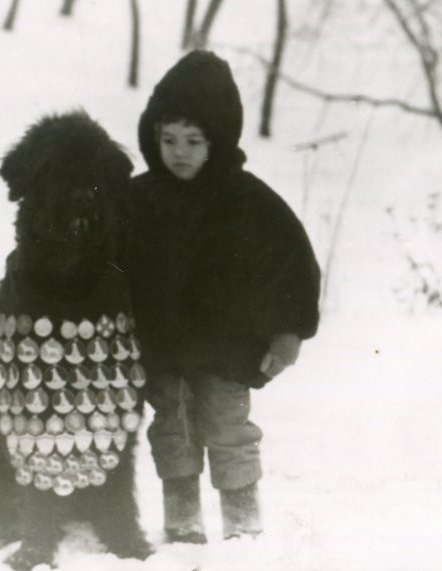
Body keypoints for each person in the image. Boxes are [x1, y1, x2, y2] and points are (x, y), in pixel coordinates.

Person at [126, 50, 321, 543]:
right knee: (172, 429)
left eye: (194, 140)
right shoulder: (138, 199)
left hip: (227, 349)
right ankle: (183, 522)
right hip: (164, 351)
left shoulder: (248, 200)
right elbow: (111, 263)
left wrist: (288, 333)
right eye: (167, 139)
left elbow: (294, 264)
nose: (180, 152)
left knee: (227, 429)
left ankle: (243, 524)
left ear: (219, 139)